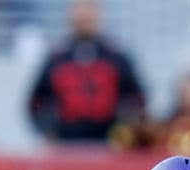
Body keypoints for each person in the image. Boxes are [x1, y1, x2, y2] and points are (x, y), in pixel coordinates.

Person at [27, 0, 146, 143]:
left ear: (99, 14)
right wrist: (48, 129)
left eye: (89, 8)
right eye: (79, 8)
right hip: (66, 145)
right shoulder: (56, 58)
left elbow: (136, 99)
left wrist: (124, 127)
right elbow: (36, 102)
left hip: (108, 145)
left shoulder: (117, 57)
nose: (84, 15)